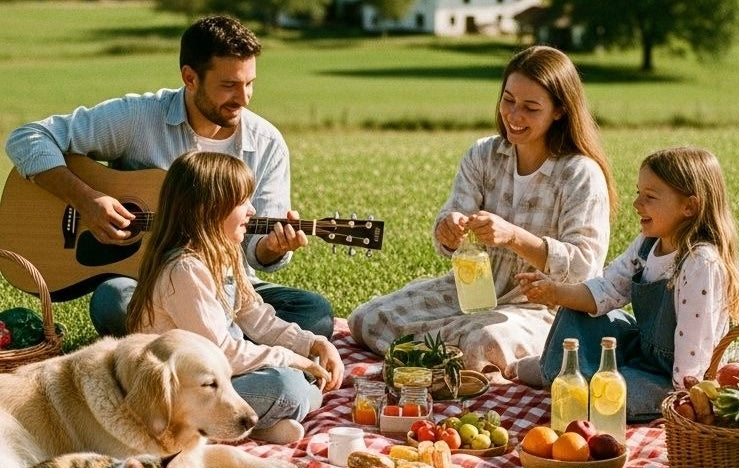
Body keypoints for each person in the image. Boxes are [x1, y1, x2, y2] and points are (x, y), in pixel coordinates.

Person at [4, 15, 333, 339]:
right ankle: (225, 346)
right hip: (148, 283)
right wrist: (86, 200)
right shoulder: (137, 116)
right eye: (229, 85)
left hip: (228, 287)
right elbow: (28, 138)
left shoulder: (267, 143)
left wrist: (272, 248)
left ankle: (199, 345)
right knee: (115, 300)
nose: (243, 98)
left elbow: (255, 250)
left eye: (249, 84)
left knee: (313, 313)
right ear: (190, 78)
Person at [348, 46, 617, 380]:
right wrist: (448, 229)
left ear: (560, 110)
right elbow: (449, 222)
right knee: (366, 319)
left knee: (482, 342)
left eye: (531, 108)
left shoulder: (579, 173)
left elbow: (584, 268)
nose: (514, 116)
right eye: (508, 101)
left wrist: (514, 237)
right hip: (470, 291)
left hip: (541, 307)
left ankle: (444, 355)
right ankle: (445, 358)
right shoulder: (484, 154)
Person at [516, 146, 739, 421]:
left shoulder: (700, 262)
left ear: (689, 206)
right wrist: (555, 292)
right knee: (575, 311)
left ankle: (570, 375)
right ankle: (559, 369)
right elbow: (608, 289)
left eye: (650, 197)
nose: (637, 204)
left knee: (604, 399)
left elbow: (695, 351)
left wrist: (686, 402)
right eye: (638, 193)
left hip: (673, 378)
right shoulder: (647, 244)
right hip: (642, 350)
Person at [125, 151, 343, 443]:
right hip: (176, 392)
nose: (252, 210)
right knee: (289, 386)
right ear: (208, 209)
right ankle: (200, 433)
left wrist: (312, 343)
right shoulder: (184, 269)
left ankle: (248, 429)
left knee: (302, 382)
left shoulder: (224, 252)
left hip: (212, 380)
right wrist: (291, 359)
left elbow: (256, 317)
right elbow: (220, 353)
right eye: (242, 202)